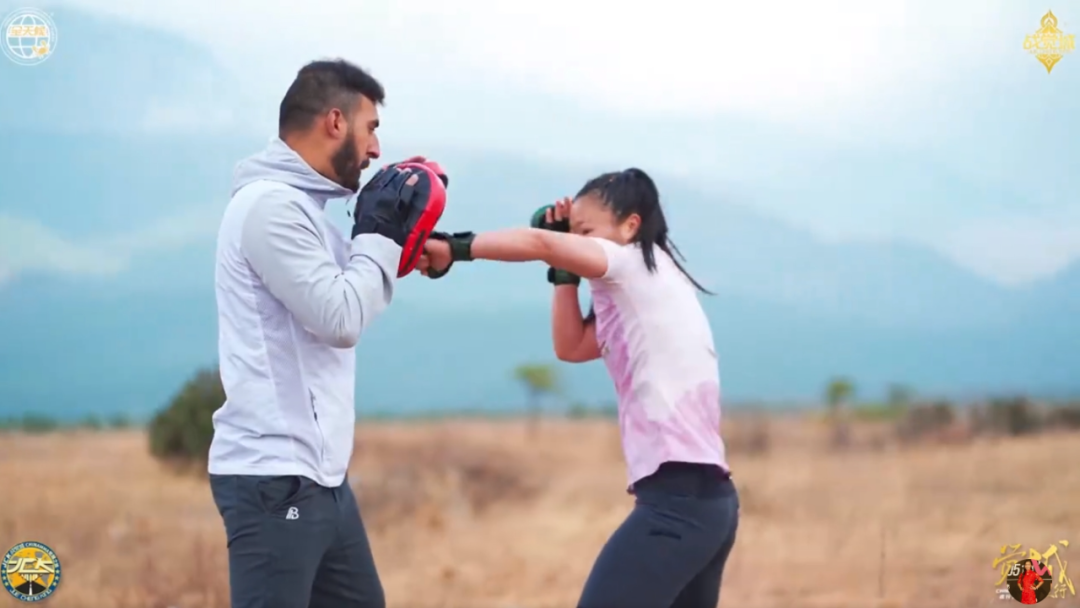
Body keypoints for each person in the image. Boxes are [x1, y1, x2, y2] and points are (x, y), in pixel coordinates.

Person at [420, 168, 739, 608]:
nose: (577, 243)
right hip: (708, 503)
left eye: (585, 233)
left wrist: (454, 248)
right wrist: (563, 271)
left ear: (630, 226)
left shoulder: (628, 263)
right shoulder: (649, 283)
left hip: (679, 502)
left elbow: (540, 243)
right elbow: (570, 346)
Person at [208, 58, 439, 608]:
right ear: (335, 121)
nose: (376, 149)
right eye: (371, 128)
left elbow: (355, 276)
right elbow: (341, 318)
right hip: (275, 478)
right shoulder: (270, 209)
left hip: (321, 478)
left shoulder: (304, 211)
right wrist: (379, 234)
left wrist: (418, 246)